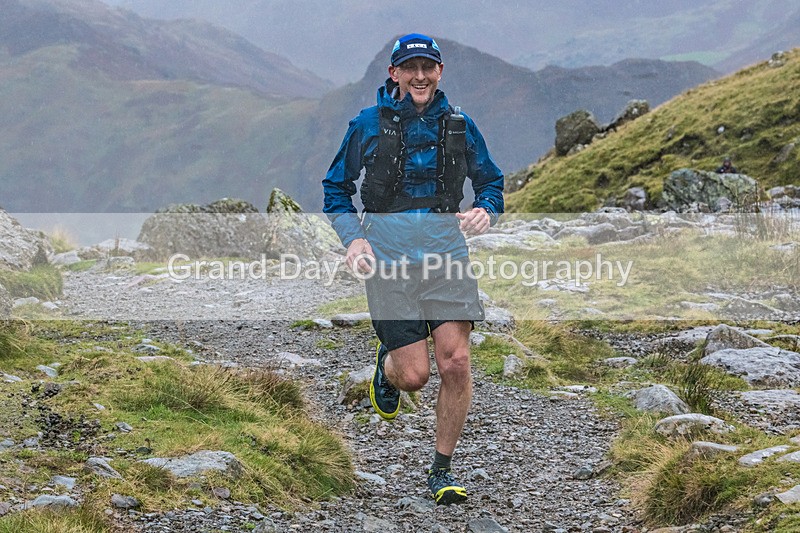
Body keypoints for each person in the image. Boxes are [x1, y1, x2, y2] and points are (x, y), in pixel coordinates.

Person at [322, 33, 504, 505]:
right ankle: (387, 368)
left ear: (440, 72)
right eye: (410, 68)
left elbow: (492, 182)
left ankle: (440, 470)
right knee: (415, 377)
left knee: (456, 361)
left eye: (428, 67)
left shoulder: (461, 126)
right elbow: (335, 190)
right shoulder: (367, 124)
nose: (420, 76)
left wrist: (486, 208)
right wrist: (354, 238)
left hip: (447, 258)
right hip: (388, 260)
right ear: (395, 74)